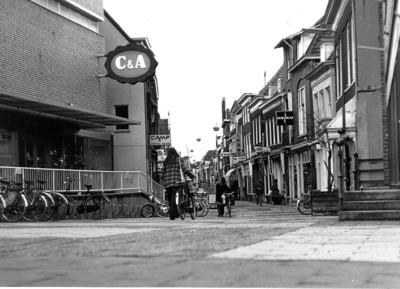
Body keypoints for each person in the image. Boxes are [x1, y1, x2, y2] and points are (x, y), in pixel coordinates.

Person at [161, 147, 195, 220]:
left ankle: (171, 214)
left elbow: (162, 172)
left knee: (170, 199)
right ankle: (174, 213)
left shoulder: (165, 161)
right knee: (175, 197)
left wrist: (163, 177)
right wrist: (191, 175)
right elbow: (184, 169)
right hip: (177, 182)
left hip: (168, 183)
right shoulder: (179, 160)